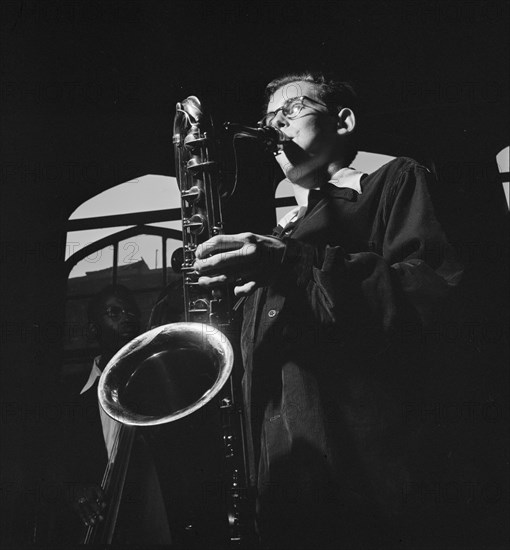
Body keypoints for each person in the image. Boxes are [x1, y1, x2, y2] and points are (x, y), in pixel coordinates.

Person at [194, 71, 463, 549]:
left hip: (366, 481)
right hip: (281, 476)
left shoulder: (396, 179)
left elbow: (427, 294)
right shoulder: (277, 237)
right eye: (268, 118)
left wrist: (290, 263)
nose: (275, 126)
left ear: (343, 121)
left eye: (291, 110)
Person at [67, 284, 171, 546]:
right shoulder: (69, 399)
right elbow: (51, 469)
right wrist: (73, 490)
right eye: (114, 312)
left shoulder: (159, 384)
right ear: (93, 330)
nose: (127, 318)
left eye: (131, 312)